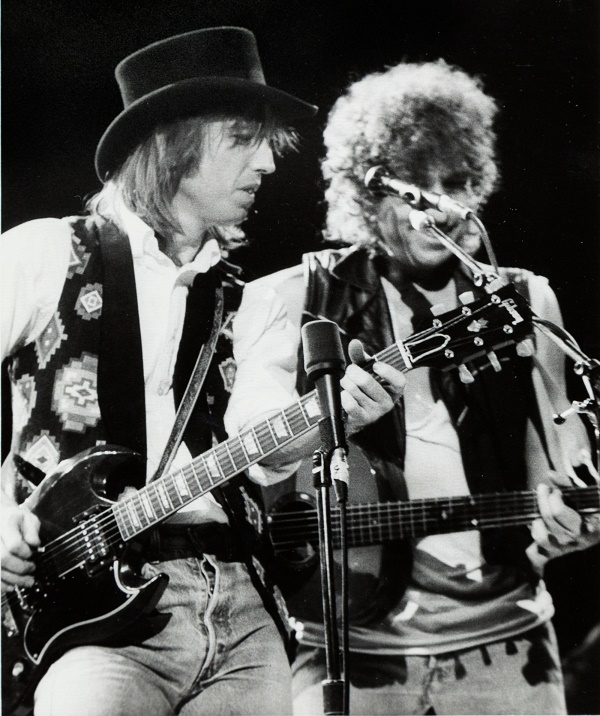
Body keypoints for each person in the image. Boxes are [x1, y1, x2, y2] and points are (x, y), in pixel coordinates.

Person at [0, 28, 405, 716]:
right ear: (175, 143)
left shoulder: (248, 303)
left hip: (241, 605)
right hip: (86, 615)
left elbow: (262, 440)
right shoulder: (46, 254)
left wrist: (332, 418)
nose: (267, 167)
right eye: (243, 139)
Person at [254, 60, 600, 715]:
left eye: (456, 181)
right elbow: (262, 455)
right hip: (347, 650)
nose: (436, 205)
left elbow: (563, 464)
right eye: (411, 187)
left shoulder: (528, 299)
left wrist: (574, 521)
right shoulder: (299, 293)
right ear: (365, 191)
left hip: (507, 646)